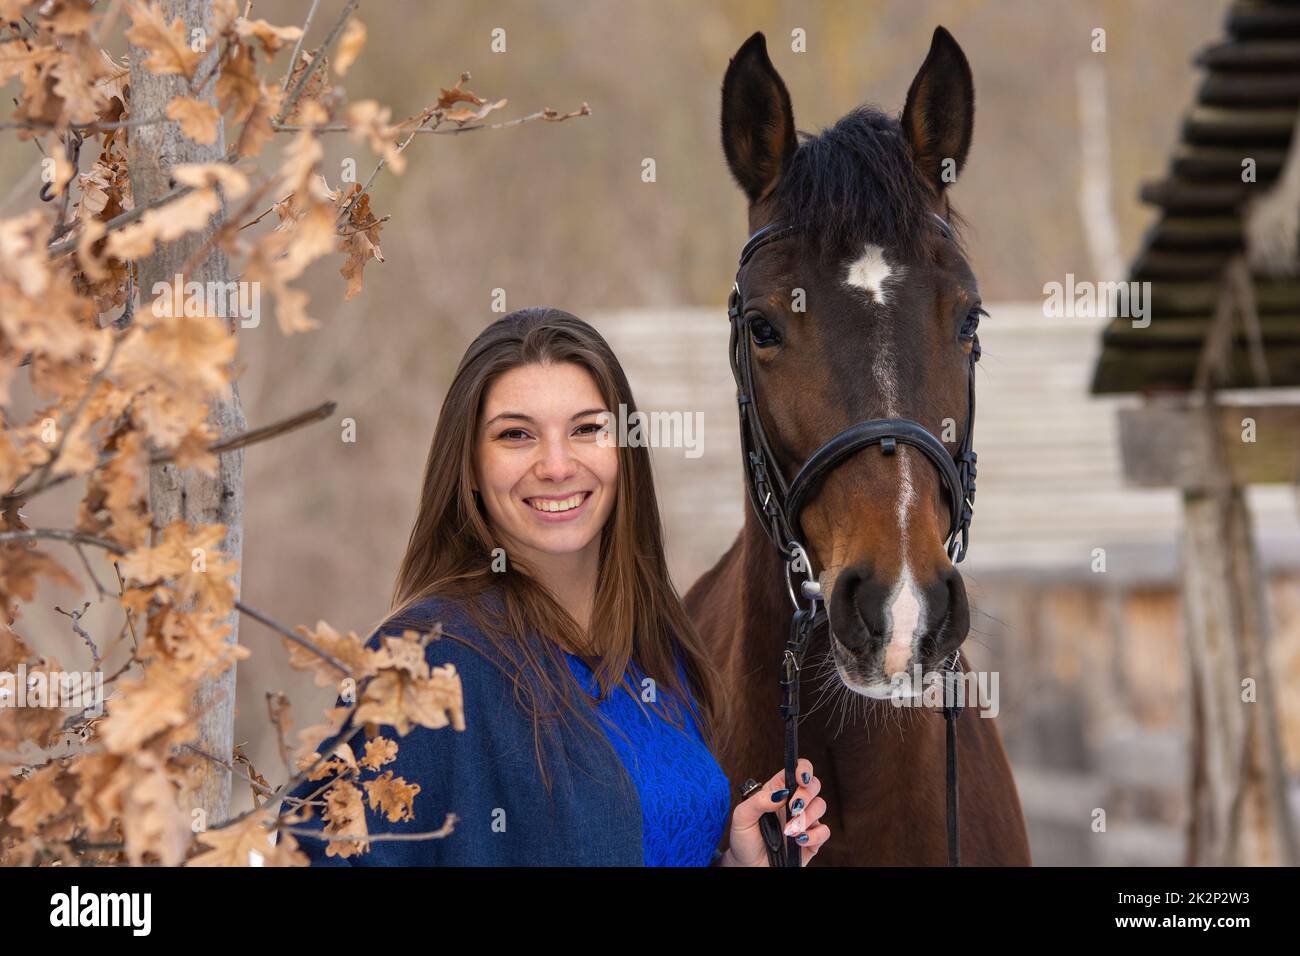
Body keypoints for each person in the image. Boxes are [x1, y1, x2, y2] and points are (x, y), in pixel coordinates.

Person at [277, 307, 829, 866]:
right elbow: (308, 854)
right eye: (516, 435)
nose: (557, 465)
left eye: (587, 429)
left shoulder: (657, 654)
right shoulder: (430, 663)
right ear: (468, 464)